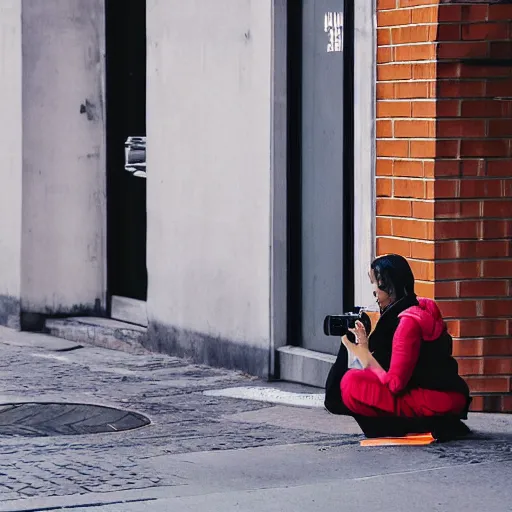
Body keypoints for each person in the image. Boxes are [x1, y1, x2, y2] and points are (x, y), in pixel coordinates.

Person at [324, 254, 472, 441]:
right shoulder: (421, 307)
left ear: (390, 286)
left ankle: (414, 427)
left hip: (435, 401)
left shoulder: (408, 324)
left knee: (351, 382)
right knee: (355, 380)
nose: (374, 292)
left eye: (376, 284)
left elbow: (395, 384)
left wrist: (362, 351)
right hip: (444, 396)